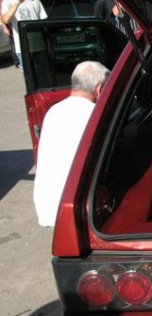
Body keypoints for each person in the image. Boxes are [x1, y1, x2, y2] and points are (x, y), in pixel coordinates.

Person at [33, 61, 110, 228]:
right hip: (77, 212)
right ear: (100, 89)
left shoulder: (53, 111)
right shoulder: (94, 115)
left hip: (48, 208)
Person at [1, 0, 46, 69]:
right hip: (22, 47)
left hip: (39, 45)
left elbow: (43, 21)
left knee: (44, 74)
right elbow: (6, 19)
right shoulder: (7, 1)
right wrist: (17, 3)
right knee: (28, 74)